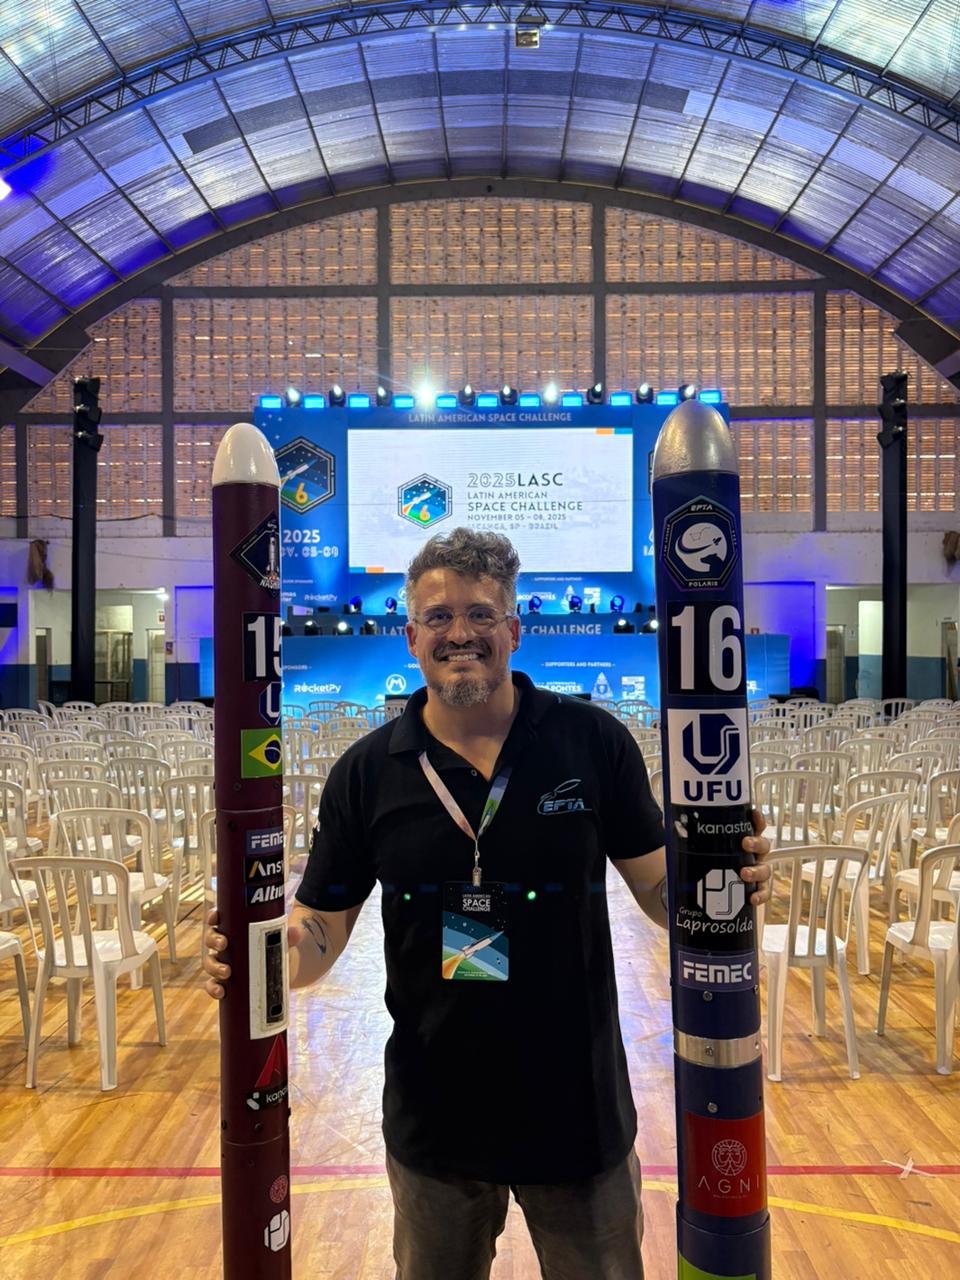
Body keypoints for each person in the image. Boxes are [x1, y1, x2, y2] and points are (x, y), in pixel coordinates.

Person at [204, 527, 772, 1279]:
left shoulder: (592, 744)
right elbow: (322, 931)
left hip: (578, 1115)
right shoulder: (367, 774)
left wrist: (725, 888)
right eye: (438, 617)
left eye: (480, 614)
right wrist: (258, 955)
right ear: (410, 636)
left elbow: (660, 892)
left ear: (514, 629)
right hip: (436, 1123)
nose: (460, 633)